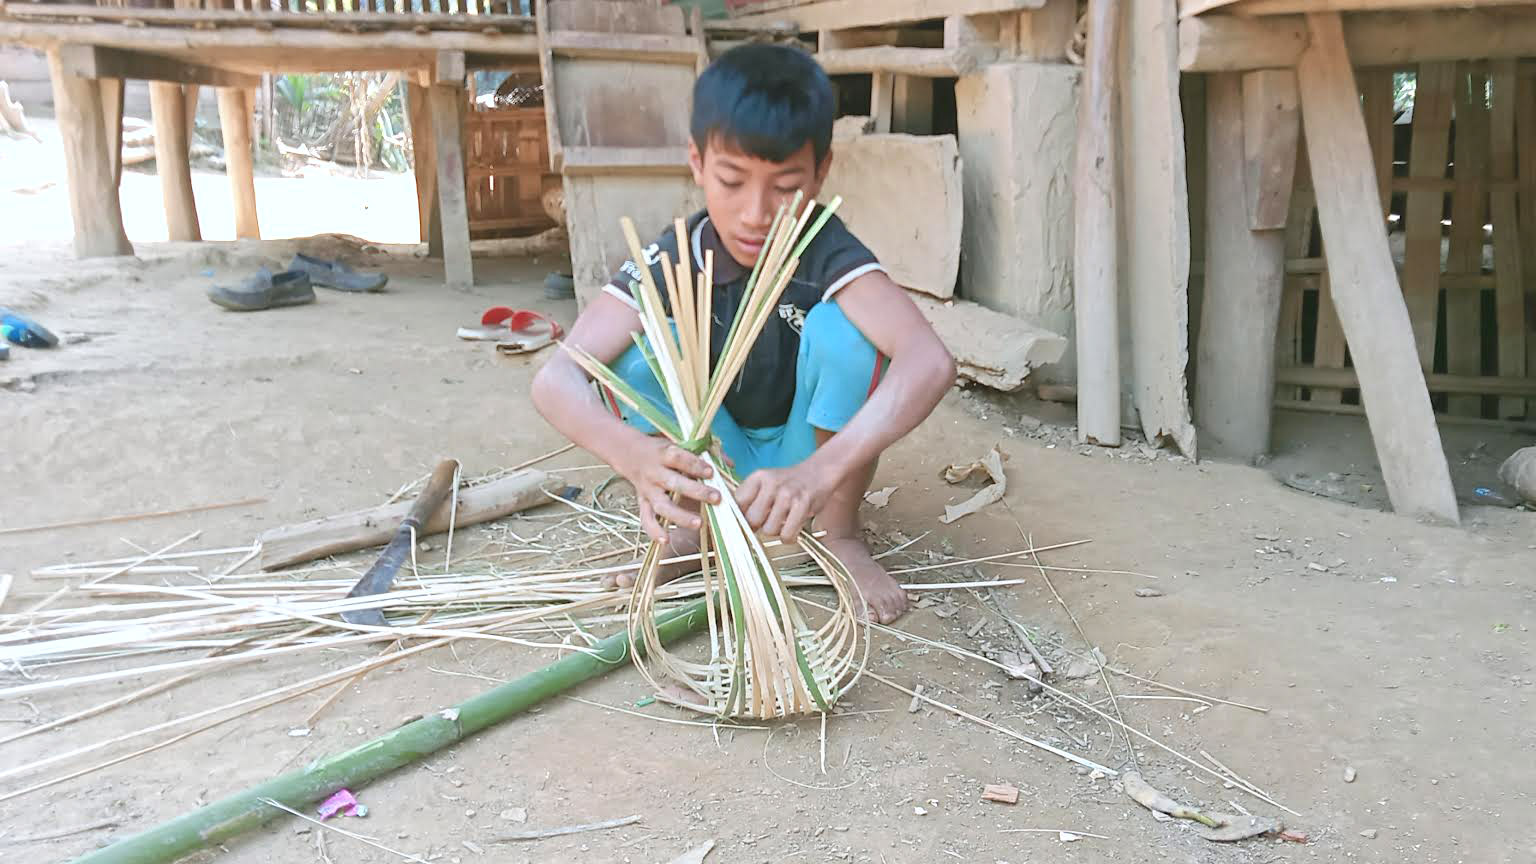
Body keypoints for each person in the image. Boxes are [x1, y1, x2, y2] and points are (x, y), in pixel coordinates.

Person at [530, 42, 955, 623]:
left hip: (805, 458)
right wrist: (633, 455)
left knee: (847, 336)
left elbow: (928, 361)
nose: (757, 213)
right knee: (638, 355)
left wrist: (818, 474)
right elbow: (557, 378)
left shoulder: (827, 251)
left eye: (785, 187)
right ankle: (691, 534)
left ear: (821, 172)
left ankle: (839, 534)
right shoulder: (674, 256)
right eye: (732, 181)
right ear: (698, 163)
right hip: (713, 456)